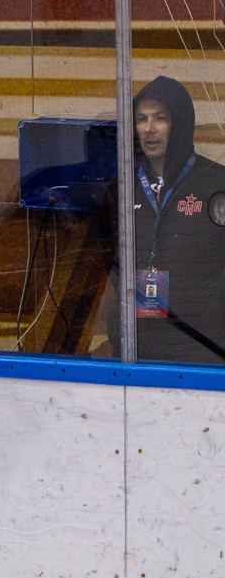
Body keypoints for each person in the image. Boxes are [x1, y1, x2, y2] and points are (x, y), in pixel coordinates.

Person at [108, 75, 225, 364]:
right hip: (135, 344)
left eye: (160, 118)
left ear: (180, 123)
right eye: (141, 118)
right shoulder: (121, 186)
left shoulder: (216, 183)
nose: (149, 129)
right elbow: (106, 259)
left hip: (198, 343)